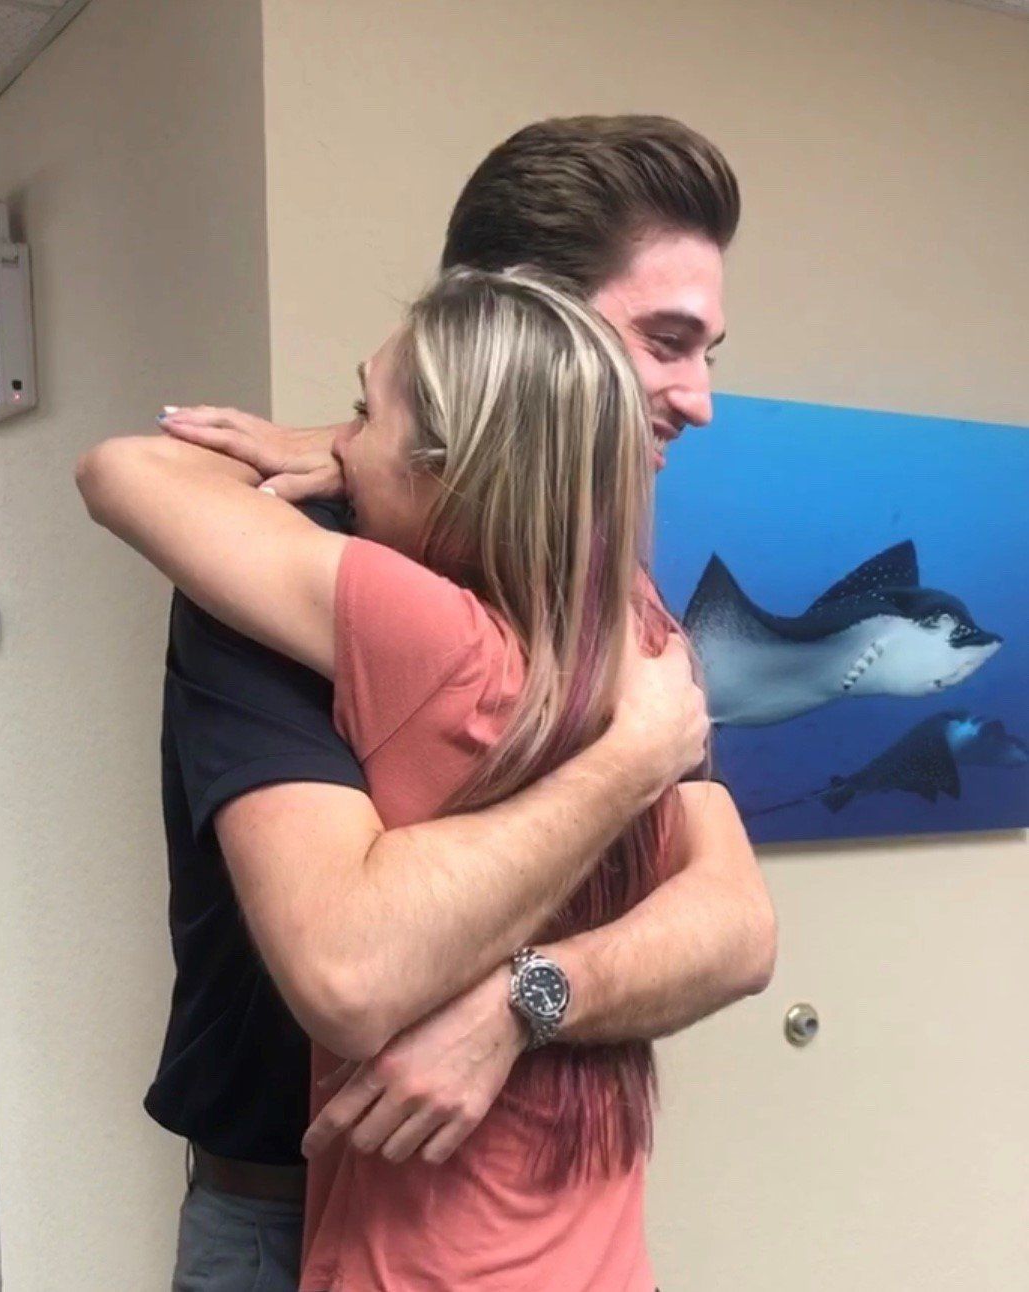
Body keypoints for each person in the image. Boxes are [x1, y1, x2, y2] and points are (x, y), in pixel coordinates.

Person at [90, 115, 775, 1291]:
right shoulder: (284, 562)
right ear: (520, 321)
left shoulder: (619, 603)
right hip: (292, 1208)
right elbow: (351, 967)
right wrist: (626, 762)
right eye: (666, 341)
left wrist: (526, 1000)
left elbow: (737, 926)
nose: (699, 396)